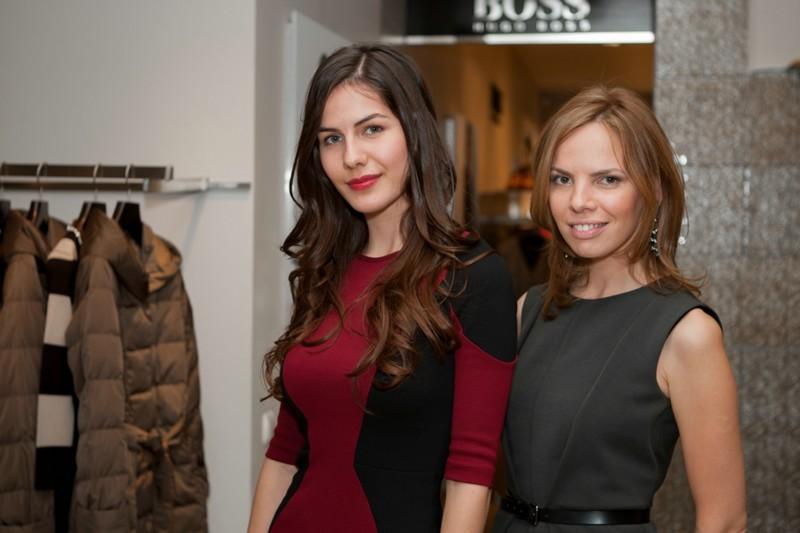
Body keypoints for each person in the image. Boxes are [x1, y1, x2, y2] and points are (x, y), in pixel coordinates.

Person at [247, 44, 517, 533]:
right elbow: (284, 453)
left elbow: (471, 476)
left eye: (372, 129)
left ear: (414, 132)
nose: (352, 157)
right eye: (331, 139)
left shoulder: (473, 276)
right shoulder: (325, 269)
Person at [494, 87, 746, 533]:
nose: (578, 201)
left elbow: (724, 520)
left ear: (653, 191)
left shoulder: (685, 332)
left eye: (607, 179)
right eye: (561, 179)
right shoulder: (526, 311)